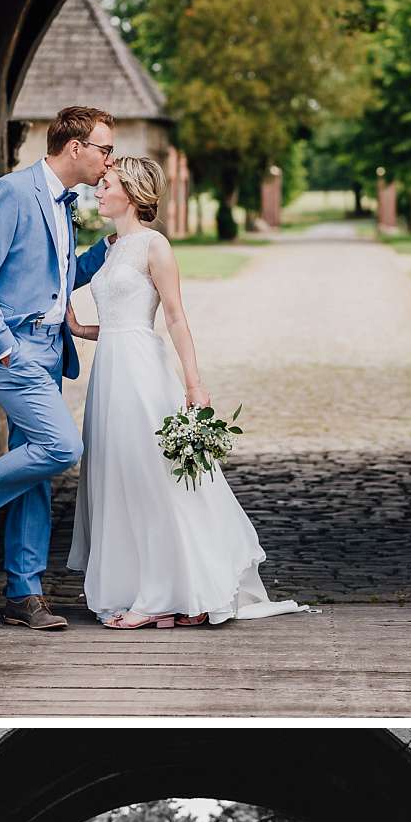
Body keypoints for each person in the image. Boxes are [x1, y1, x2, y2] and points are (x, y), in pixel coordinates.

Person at [66, 157, 304, 629]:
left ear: (130, 193)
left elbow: (173, 317)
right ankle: (161, 591)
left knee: (150, 477)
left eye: (107, 184)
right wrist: (77, 326)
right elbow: (116, 321)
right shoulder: (110, 248)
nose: (98, 189)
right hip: (110, 372)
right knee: (117, 475)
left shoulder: (154, 246)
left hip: (141, 375)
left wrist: (195, 382)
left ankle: (163, 594)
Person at [0, 106, 116, 632]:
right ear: (75, 147)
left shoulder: (66, 205)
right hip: (10, 348)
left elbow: (60, 276)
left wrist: (107, 249)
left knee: (35, 463)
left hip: (48, 349)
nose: (109, 160)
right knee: (61, 446)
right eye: (104, 148)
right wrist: (1, 346)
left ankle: (24, 592)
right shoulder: (11, 192)